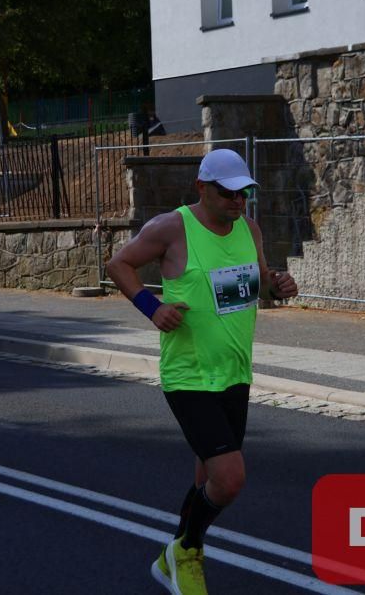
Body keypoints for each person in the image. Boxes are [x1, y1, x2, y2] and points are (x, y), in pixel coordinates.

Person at [106, 148, 298, 595]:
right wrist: (152, 308)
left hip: (235, 372)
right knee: (229, 479)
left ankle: (174, 558)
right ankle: (186, 550)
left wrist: (278, 286)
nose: (237, 201)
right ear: (201, 188)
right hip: (189, 376)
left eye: (243, 193)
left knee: (206, 479)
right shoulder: (173, 228)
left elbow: (260, 282)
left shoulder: (249, 229)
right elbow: (119, 264)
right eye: (227, 193)